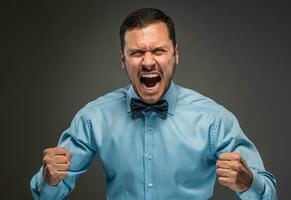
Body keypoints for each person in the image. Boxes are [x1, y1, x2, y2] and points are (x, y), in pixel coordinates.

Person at [30, 8, 277, 200]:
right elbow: (47, 194)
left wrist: (248, 182)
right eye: (137, 52)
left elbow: (269, 194)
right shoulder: (94, 117)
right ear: (123, 60)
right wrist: (49, 179)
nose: (148, 62)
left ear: (176, 55)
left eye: (158, 50)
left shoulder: (213, 119)